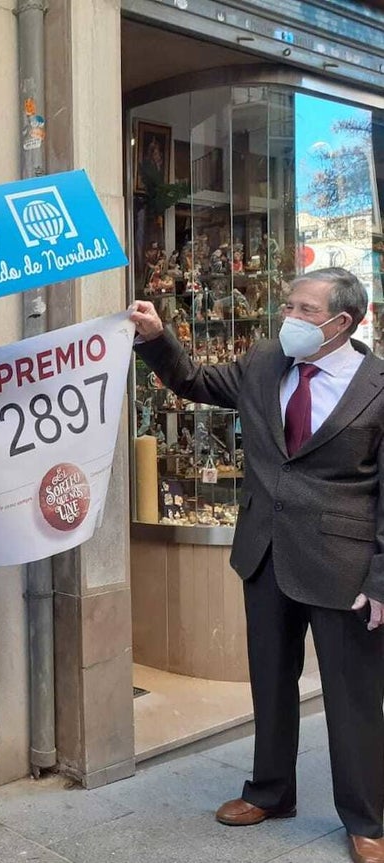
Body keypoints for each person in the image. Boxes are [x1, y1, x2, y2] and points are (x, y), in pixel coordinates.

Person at [130, 267, 384, 863]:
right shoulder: (267, 361)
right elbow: (193, 381)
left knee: (352, 698)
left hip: (344, 567)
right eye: (289, 305)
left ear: (341, 322)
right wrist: (157, 337)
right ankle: (270, 792)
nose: (287, 317)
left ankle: (367, 819)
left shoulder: (376, 386)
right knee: (270, 683)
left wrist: (380, 582)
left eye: (303, 310)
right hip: (265, 553)